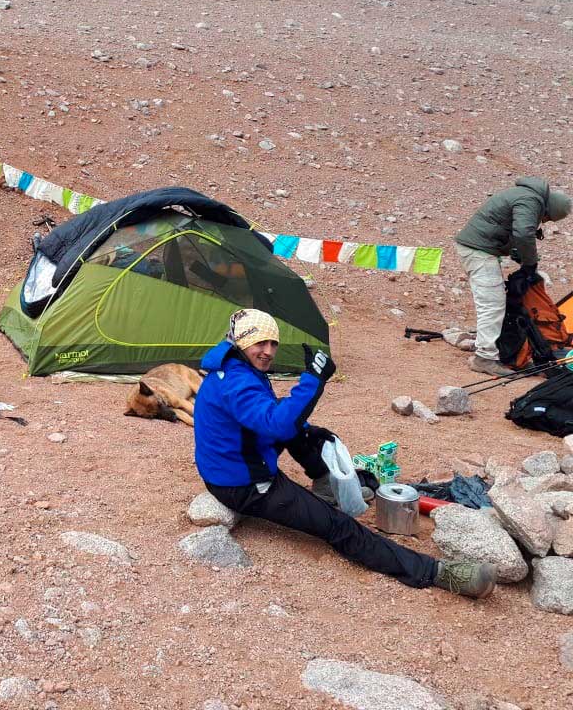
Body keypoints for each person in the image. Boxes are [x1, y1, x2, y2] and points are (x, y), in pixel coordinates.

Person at [193, 308, 497, 598]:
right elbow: (279, 425)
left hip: (231, 464)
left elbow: (268, 419)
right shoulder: (237, 382)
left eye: (273, 343)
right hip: (246, 486)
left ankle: (326, 484)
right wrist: (312, 380)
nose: (269, 351)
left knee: (307, 431)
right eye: (261, 342)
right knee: (336, 524)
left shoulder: (232, 367)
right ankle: (436, 572)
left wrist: (307, 427)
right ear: (244, 340)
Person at [455, 177, 571, 377]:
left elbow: (513, 230)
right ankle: (484, 358)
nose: (544, 221)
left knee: (494, 303)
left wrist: (519, 255)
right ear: (548, 210)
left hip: (479, 249)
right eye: (547, 218)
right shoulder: (530, 200)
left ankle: (491, 349)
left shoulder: (526, 196)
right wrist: (530, 262)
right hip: (479, 251)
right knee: (492, 304)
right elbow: (524, 232)